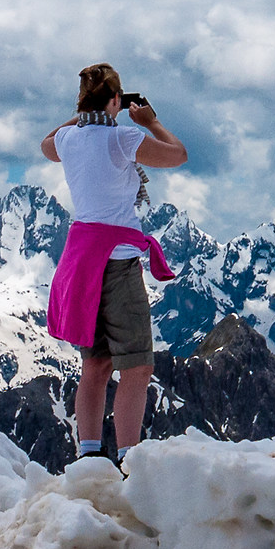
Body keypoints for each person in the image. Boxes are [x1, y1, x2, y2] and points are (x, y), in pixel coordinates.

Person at [41, 63, 188, 468]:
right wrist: (151, 122)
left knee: (96, 364)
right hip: (119, 263)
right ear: (115, 101)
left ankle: (88, 455)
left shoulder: (69, 139)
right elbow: (178, 155)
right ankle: (129, 461)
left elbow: (46, 142)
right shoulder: (123, 138)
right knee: (137, 366)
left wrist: (89, 113)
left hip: (82, 264)